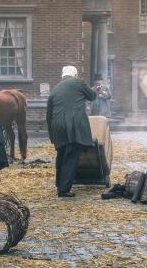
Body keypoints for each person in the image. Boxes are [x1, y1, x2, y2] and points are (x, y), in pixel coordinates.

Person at [46, 66, 96, 197]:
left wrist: (52, 136)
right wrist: (94, 89)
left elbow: (48, 115)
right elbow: (92, 96)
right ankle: (64, 189)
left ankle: (59, 183)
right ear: (75, 75)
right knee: (71, 156)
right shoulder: (78, 82)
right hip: (73, 125)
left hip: (57, 126)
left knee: (61, 155)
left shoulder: (55, 89)